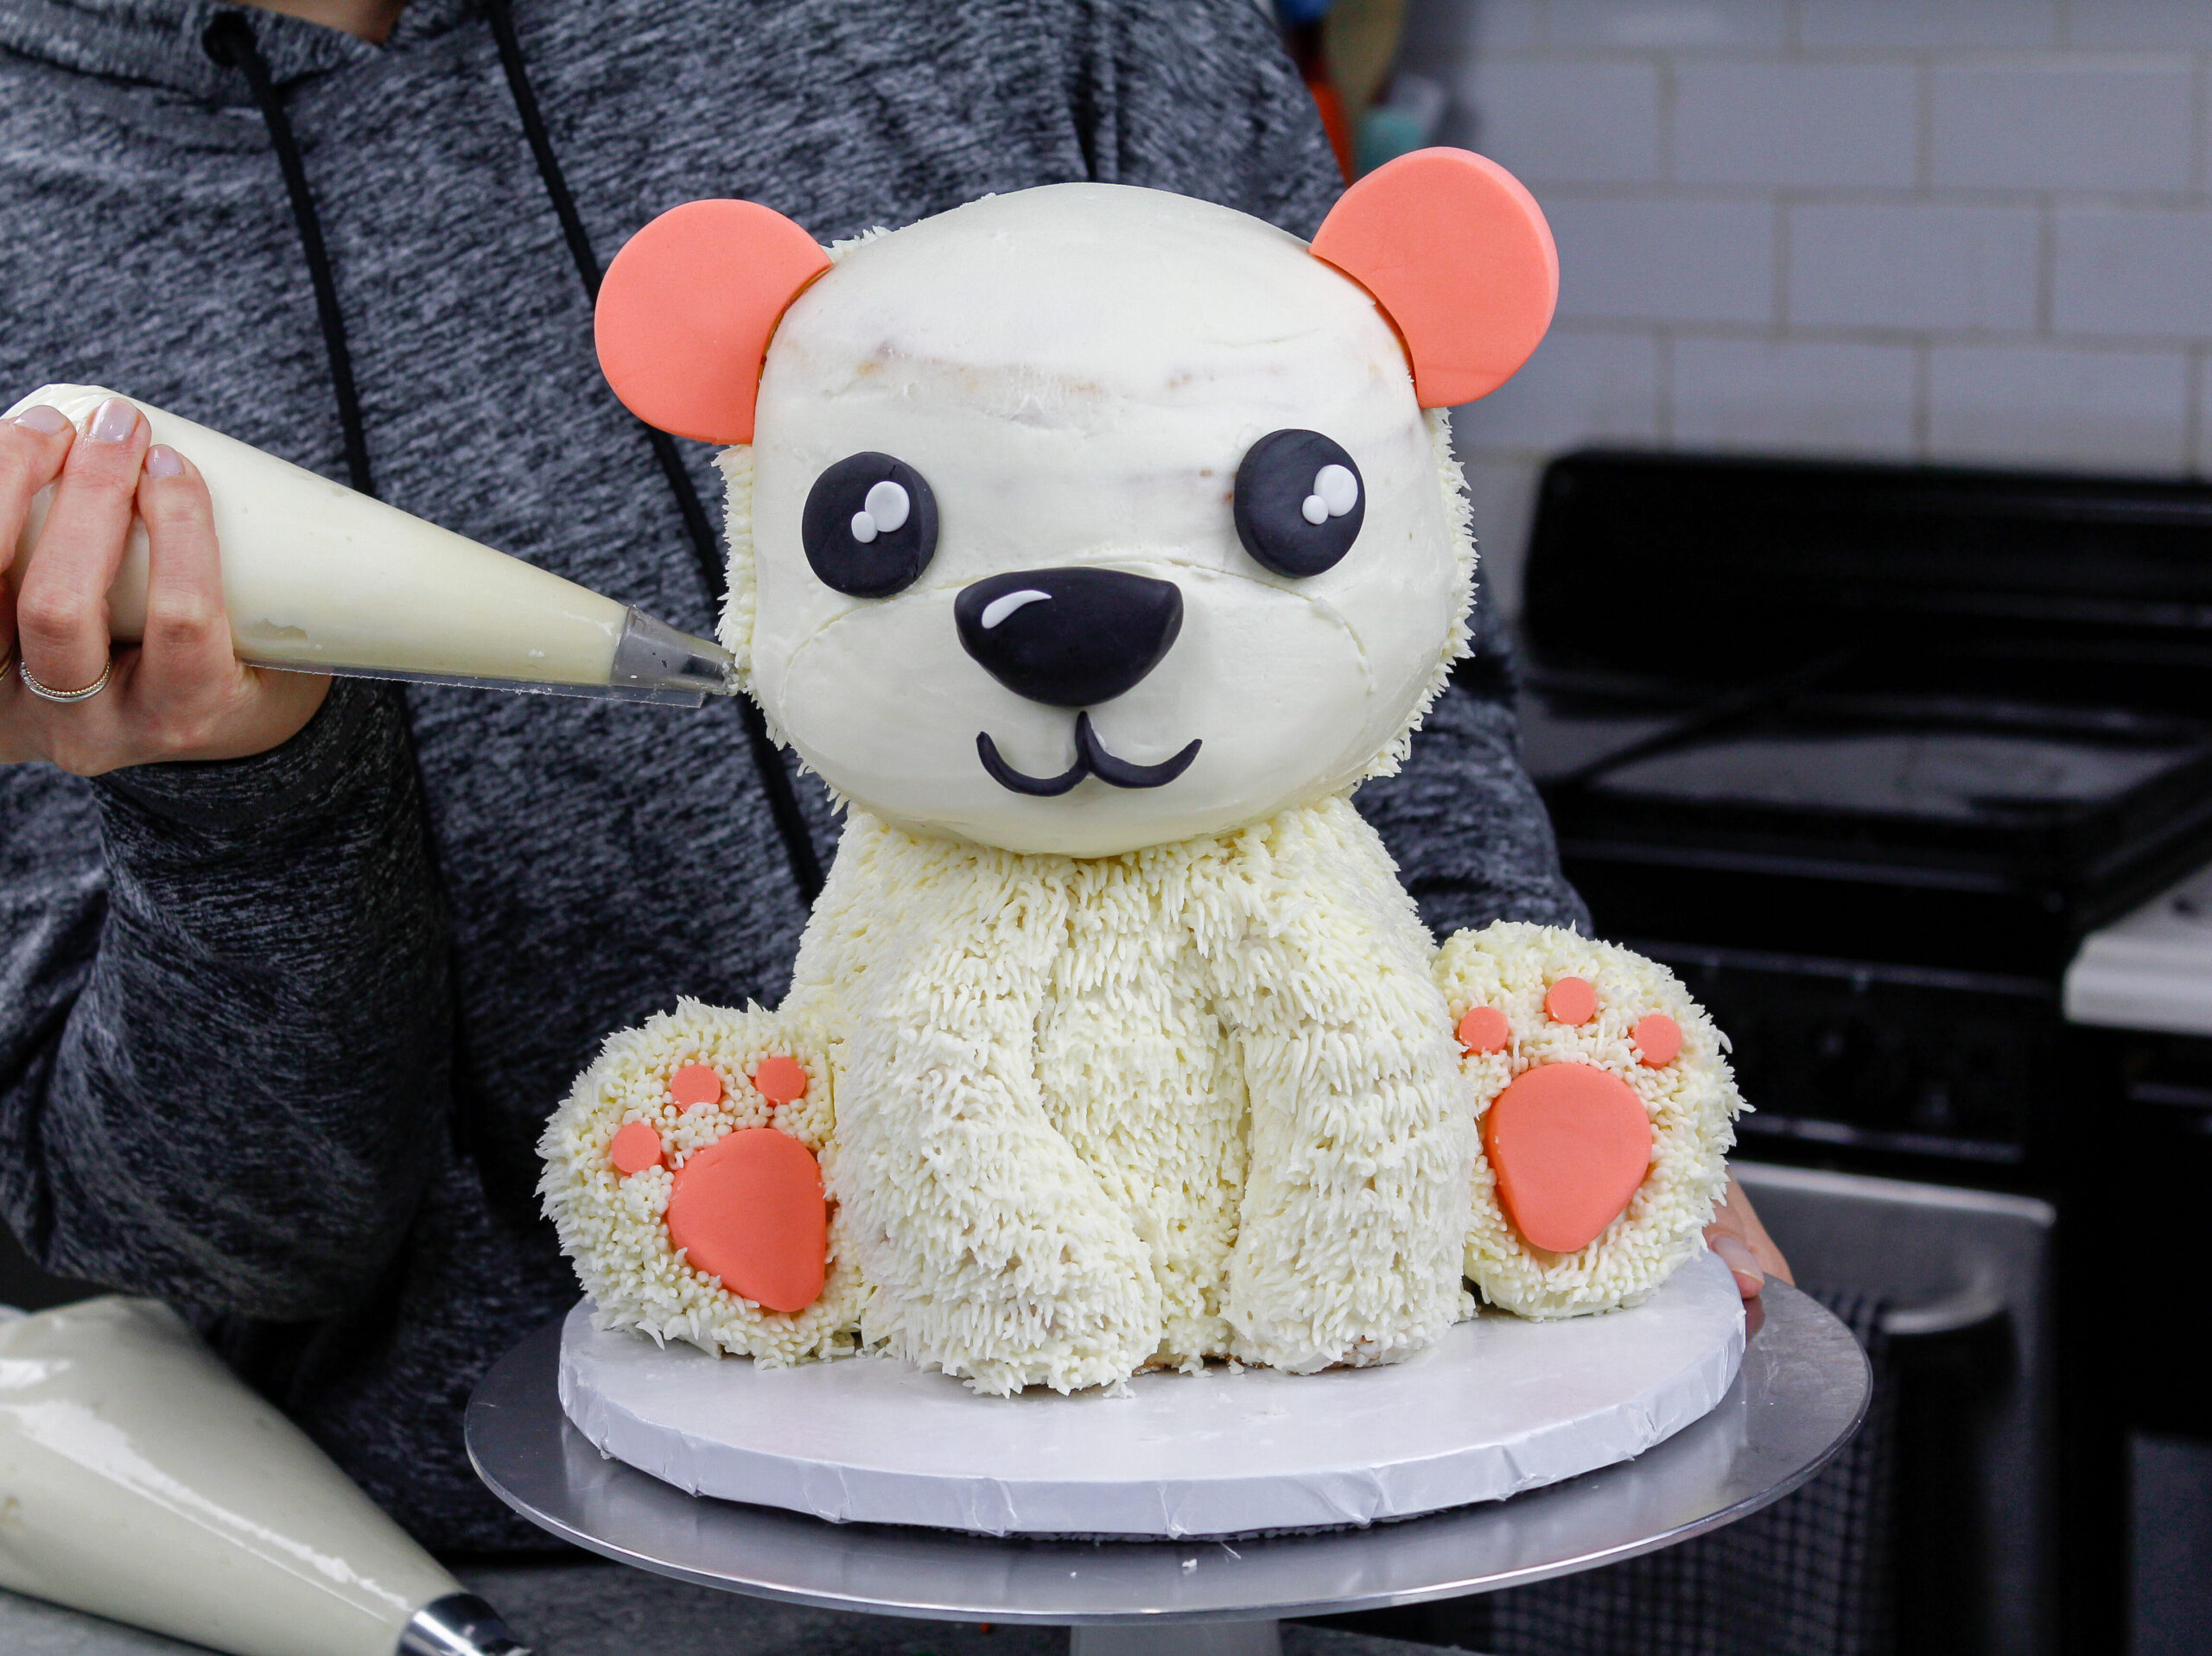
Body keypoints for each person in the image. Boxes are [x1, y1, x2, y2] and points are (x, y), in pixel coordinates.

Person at [0, 0, 1787, 1551]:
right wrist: (247, 807)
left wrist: (1498, 1056)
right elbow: (205, 1245)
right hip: (521, 1586)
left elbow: (1376, 615)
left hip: (1316, 1498)